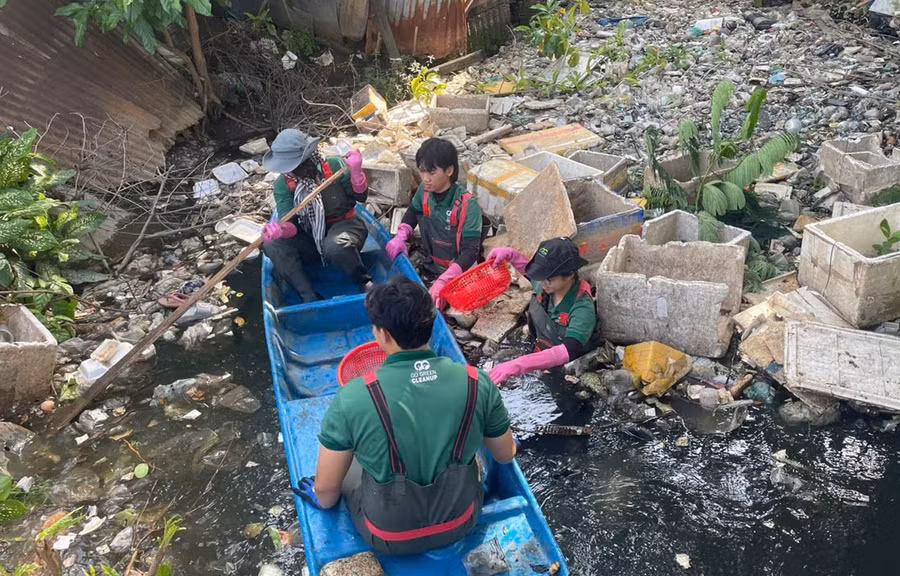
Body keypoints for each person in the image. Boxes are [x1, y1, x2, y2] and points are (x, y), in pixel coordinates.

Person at [293, 276, 516, 555]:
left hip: (387, 538)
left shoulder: (353, 397)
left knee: (347, 462)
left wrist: (320, 494)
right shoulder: (477, 382)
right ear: (431, 326)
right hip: (461, 522)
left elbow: (326, 495)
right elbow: (505, 454)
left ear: (383, 334)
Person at [262, 129, 371, 303]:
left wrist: (356, 172)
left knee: (335, 245)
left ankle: (363, 280)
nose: (291, 172)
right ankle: (308, 296)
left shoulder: (333, 165)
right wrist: (281, 231)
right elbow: (290, 223)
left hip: (346, 225)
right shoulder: (283, 184)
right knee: (272, 244)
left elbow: (361, 197)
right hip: (309, 236)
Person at [385, 138, 485, 310]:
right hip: (431, 262)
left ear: (449, 171)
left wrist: (445, 280)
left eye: (431, 173)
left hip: (460, 273)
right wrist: (401, 236)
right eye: (422, 171)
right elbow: (412, 213)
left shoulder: (468, 205)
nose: (425, 179)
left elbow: (470, 251)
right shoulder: (424, 192)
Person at [486, 238, 598, 385]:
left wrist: (517, 365)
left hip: (567, 371)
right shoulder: (546, 285)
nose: (542, 282)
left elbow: (569, 350)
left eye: (548, 279)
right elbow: (527, 270)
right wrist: (510, 254)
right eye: (540, 277)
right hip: (540, 348)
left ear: (570, 274)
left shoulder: (582, 308)